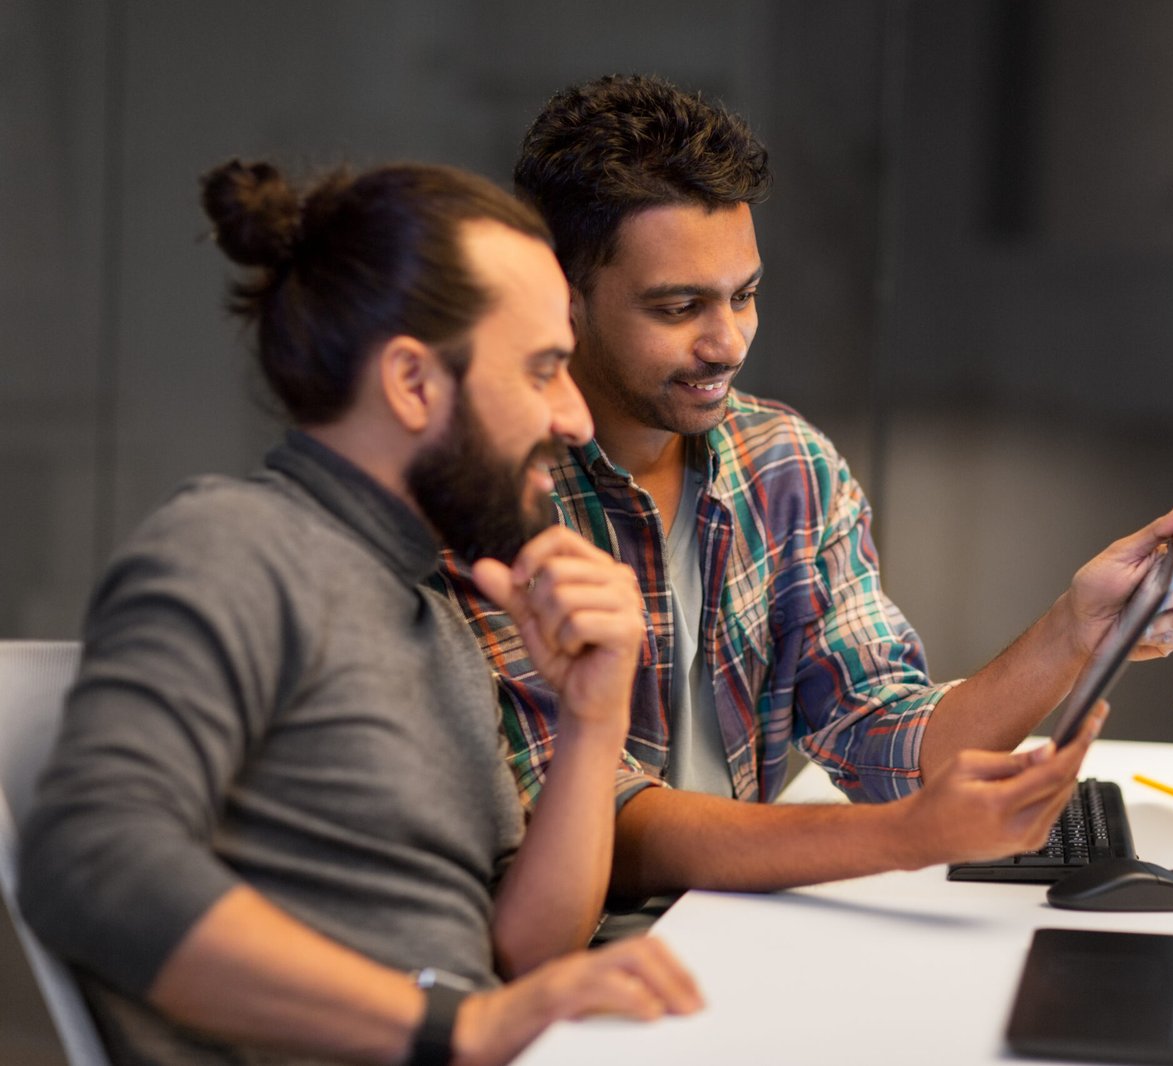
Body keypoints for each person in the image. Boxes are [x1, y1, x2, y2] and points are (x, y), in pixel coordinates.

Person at [435, 74, 1173, 903]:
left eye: (746, 295)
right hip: (587, 965)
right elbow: (598, 825)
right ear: (563, 296)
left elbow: (886, 740)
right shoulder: (494, 500)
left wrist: (1072, 632)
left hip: (734, 929)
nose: (726, 343)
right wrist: (898, 840)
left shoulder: (784, 464)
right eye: (679, 306)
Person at [18, 158, 700, 1066]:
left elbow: (521, 952)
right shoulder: (234, 546)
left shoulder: (431, 608)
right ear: (414, 383)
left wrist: (592, 716)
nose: (575, 417)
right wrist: (457, 1025)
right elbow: (92, 860)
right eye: (544, 369)